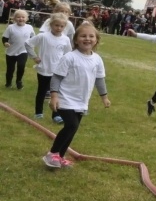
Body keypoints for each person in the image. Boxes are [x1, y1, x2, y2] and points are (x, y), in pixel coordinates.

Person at [42, 23, 111, 169]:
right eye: (83, 36)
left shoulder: (97, 59)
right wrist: (54, 96)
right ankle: (52, 153)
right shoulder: (70, 57)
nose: (87, 39)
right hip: (64, 98)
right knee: (71, 125)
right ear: (76, 40)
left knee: (73, 128)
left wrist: (104, 97)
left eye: (91, 36)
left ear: (96, 40)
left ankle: (60, 156)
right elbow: (56, 78)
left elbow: (100, 79)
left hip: (81, 100)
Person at [24, 12, 71, 122]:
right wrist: (34, 57)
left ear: (65, 27)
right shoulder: (43, 36)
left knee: (57, 94)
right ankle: (38, 112)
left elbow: (68, 54)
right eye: (56, 25)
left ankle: (56, 114)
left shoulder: (65, 40)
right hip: (44, 70)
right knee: (42, 92)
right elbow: (28, 44)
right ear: (51, 25)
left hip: (58, 72)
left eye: (62, 26)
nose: (59, 28)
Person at [4, 9, 35, 89]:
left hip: (23, 51)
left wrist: (32, 44)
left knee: (21, 66)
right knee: (10, 69)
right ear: (14, 18)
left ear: (26, 18)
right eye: (18, 17)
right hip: (11, 52)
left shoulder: (29, 27)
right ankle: (8, 83)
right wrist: (5, 43)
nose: (21, 19)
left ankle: (19, 81)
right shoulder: (11, 27)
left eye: (23, 17)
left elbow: (33, 37)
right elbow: (5, 37)